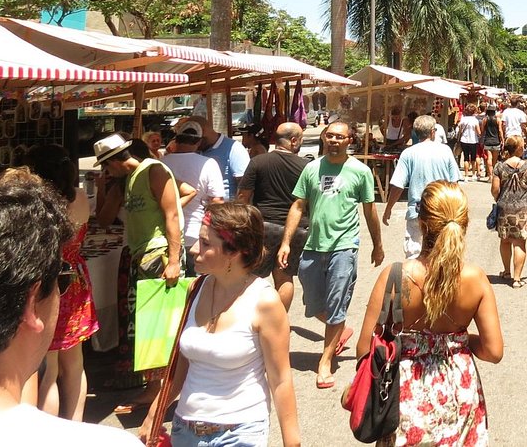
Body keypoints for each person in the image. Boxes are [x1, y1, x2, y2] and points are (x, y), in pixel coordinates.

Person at [0, 176, 141, 444]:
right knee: (72, 366)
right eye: (60, 279)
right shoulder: (113, 443)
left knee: (50, 369)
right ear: (32, 303)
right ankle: (73, 418)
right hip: (79, 287)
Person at [347, 181, 502, 447]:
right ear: (464, 224)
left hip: (404, 398)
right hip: (459, 394)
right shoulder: (475, 279)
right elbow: (493, 351)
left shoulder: (394, 277)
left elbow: (364, 350)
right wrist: (459, 340)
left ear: (421, 223)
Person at [140, 204, 299, 447]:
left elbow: (281, 380)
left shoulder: (264, 301)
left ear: (234, 252)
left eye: (205, 243)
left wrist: (292, 443)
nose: (194, 249)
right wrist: (154, 413)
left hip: (239, 432)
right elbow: (181, 365)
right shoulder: (195, 289)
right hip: (184, 430)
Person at [279, 121, 383, 389]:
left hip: (344, 246)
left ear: (349, 141)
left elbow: (370, 210)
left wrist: (377, 244)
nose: (334, 140)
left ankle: (324, 362)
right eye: (330, 136)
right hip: (313, 246)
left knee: (337, 303)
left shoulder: (360, 171)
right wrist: (286, 242)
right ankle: (339, 329)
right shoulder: (311, 168)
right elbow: (298, 205)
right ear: (324, 138)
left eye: (340, 136)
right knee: (314, 304)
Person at [93, 133, 184, 410]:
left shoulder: (154, 170)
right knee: (147, 325)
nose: (107, 172)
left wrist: (173, 260)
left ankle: (160, 389)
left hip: (157, 255)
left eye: (106, 167)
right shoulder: (130, 179)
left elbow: (171, 215)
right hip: (141, 255)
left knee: (158, 323)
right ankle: (154, 387)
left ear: (113, 162)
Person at [13, 147, 97, 422]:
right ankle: (75, 424)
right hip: (76, 281)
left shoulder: (38, 204)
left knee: (48, 368)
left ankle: (47, 428)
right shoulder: (80, 197)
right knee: (75, 364)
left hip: (50, 283)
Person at [236, 121, 311, 309]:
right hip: (296, 230)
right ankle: (280, 319)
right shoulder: (307, 167)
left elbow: (243, 196)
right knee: (285, 277)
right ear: (293, 140)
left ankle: (248, 317)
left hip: (264, 228)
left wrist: (241, 224)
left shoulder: (258, 162)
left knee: (250, 276)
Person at [384, 115, 461, 260]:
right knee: (441, 253)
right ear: (432, 132)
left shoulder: (408, 153)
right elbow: (454, 183)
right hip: (442, 209)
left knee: (414, 255)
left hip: (417, 211)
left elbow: (398, 185)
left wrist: (388, 208)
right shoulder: (445, 151)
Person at [160, 121, 226, 276]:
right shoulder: (208, 164)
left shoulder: (161, 164)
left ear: (177, 139)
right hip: (196, 236)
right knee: (198, 285)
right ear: (199, 142)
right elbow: (217, 202)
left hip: (167, 235)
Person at [491, 136, 527, 287]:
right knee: (519, 242)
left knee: (505, 240)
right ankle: (517, 279)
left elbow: (495, 189)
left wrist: (499, 199)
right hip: (524, 210)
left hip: (505, 208)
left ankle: (507, 272)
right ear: (519, 149)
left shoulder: (499, 167)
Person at [177, 116, 250, 201]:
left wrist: (237, 207)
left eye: (195, 139)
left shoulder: (234, 148)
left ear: (203, 131)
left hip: (224, 206)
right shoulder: (195, 149)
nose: (194, 143)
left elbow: (244, 184)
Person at [456, 103, 483, 181]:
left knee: (466, 158)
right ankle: (473, 174)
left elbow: (460, 129)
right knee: (473, 158)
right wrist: (480, 134)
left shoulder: (463, 119)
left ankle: (466, 175)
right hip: (473, 140)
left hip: (464, 140)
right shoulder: (475, 120)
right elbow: (478, 132)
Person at [479, 107, 503, 181]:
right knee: (494, 160)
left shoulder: (485, 119)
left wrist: (481, 139)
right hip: (496, 141)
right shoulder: (498, 120)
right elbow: (500, 130)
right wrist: (502, 140)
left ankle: (490, 176)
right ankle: (494, 175)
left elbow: (482, 130)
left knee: (489, 158)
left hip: (487, 141)